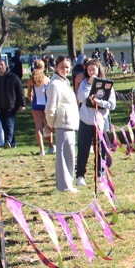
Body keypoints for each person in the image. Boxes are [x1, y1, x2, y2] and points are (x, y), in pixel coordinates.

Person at [75, 58, 116, 188]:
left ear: (99, 70)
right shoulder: (84, 83)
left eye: (94, 69)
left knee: (101, 149)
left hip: (101, 121)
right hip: (86, 120)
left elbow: (112, 105)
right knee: (83, 148)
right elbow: (80, 97)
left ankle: (100, 173)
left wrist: (99, 102)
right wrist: (89, 85)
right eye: (89, 69)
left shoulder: (107, 84)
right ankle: (80, 175)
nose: (91, 72)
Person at [45, 56, 81, 192]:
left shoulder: (64, 82)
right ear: (56, 67)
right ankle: (65, 185)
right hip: (62, 124)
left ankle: (67, 183)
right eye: (62, 67)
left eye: (67, 67)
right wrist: (51, 124)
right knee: (64, 156)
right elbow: (50, 108)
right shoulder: (55, 84)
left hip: (69, 124)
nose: (65, 69)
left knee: (69, 155)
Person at [0, 57, 25, 148]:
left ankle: (7, 142)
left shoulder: (13, 77)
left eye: (2, 65)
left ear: (6, 66)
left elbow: (20, 92)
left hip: (11, 105)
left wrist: (22, 104)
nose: (0, 67)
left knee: (9, 123)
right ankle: (13, 142)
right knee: (4, 125)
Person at [26, 59, 55, 155]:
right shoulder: (47, 79)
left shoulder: (31, 80)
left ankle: (42, 150)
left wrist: (32, 101)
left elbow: (29, 94)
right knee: (48, 125)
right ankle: (50, 146)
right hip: (46, 104)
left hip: (36, 104)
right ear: (44, 67)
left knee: (38, 127)